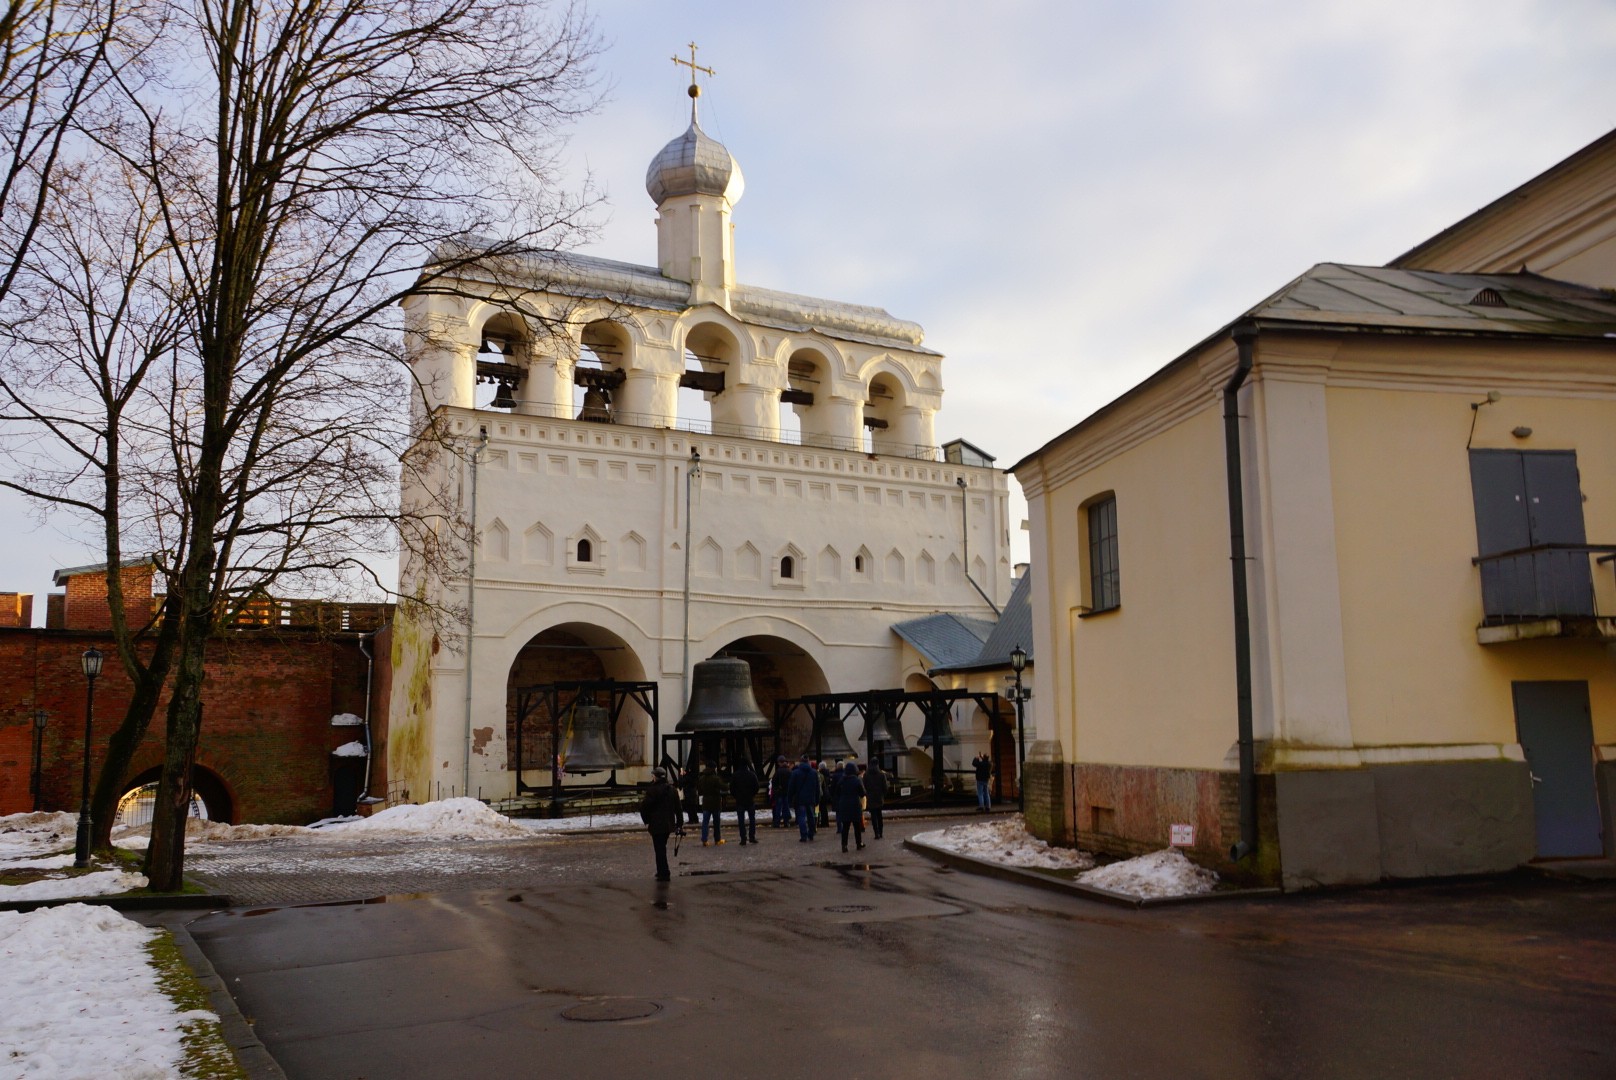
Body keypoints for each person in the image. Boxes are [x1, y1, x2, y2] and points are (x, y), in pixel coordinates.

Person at [639, 767, 681, 882]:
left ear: (655, 777)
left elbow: (644, 807)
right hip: (668, 825)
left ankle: (664, 871)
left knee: (659, 848)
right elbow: (678, 808)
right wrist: (679, 824)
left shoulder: (652, 790)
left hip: (656, 825)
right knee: (661, 847)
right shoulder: (672, 789)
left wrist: (647, 820)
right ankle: (662, 870)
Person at [835, 760, 866, 852]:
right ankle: (858, 844)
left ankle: (844, 845)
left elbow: (836, 792)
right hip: (855, 805)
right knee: (857, 826)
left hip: (844, 805)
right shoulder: (857, 780)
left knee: (845, 827)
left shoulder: (842, 780)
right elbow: (862, 793)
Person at [788, 755, 819, 841]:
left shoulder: (795, 773)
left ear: (800, 762)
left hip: (800, 799)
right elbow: (817, 787)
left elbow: (791, 787)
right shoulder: (814, 772)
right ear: (808, 761)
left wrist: (789, 799)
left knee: (801, 817)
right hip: (810, 798)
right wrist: (817, 799)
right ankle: (811, 833)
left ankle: (803, 835)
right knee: (811, 817)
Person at [731, 758, 759, 844]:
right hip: (750, 800)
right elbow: (756, 787)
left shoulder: (735, 775)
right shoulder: (752, 775)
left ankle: (743, 838)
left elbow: (732, 788)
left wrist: (736, 796)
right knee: (752, 819)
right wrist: (752, 795)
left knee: (741, 820)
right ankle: (752, 836)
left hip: (740, 800)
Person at [697, 760, 726, 845]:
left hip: (706, 802)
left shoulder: (702, 778)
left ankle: (704, 839)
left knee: (705, 822)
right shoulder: (715, 778)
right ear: (714, 768)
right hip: (715, 802)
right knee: (716, 822)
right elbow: (724, 787)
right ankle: (717, 839)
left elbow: (699, 790)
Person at [864, 760, 888, 840]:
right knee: (879, 815)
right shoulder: (881, 774)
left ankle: (876, 833)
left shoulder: (866, 775)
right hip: (879, 797)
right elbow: (885, 787)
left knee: (873, 816)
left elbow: (864, 786)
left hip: (870, 797)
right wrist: (883, 794)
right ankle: (881, 832)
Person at [770, 756, 791, 827]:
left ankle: (777, 823)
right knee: (786, 807)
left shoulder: (778, 771)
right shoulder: (789, 771)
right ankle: (786, 822)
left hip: (779, 793)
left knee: (778, 808)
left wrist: (775, 790)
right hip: (787, 792)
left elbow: (773, 782)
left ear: (779, 763)